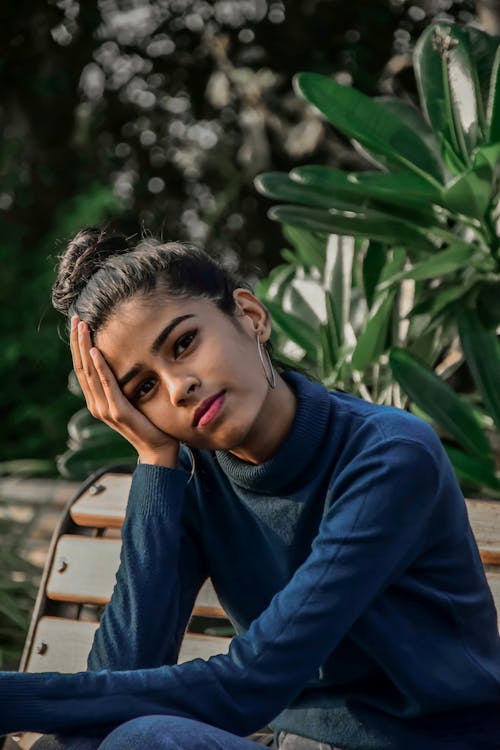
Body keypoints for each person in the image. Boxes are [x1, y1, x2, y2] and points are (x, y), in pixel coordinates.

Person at [1, 227, 499, 750]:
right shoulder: (195, 478)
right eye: (143, 388)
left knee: (146, 740)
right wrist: (155, 461)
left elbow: (248, 685)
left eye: (184, 343)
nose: (178, 387)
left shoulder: (388, 457)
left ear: (251, 316)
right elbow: (124, 676)